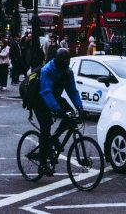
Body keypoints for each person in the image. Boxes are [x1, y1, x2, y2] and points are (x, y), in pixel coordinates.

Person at [30, 48, 83, 176]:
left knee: (70, 115)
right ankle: (43, 164)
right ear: (58, 60)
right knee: (46, 126)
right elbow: (45, 92)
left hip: (55, 97)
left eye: (68, 61)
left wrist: (80, 108)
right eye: (64, 61)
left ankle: (54, 139)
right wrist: (57, 110)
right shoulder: (47, 70)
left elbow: (72, 91)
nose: (66, 63)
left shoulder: (67, 72)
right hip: (39, 99)